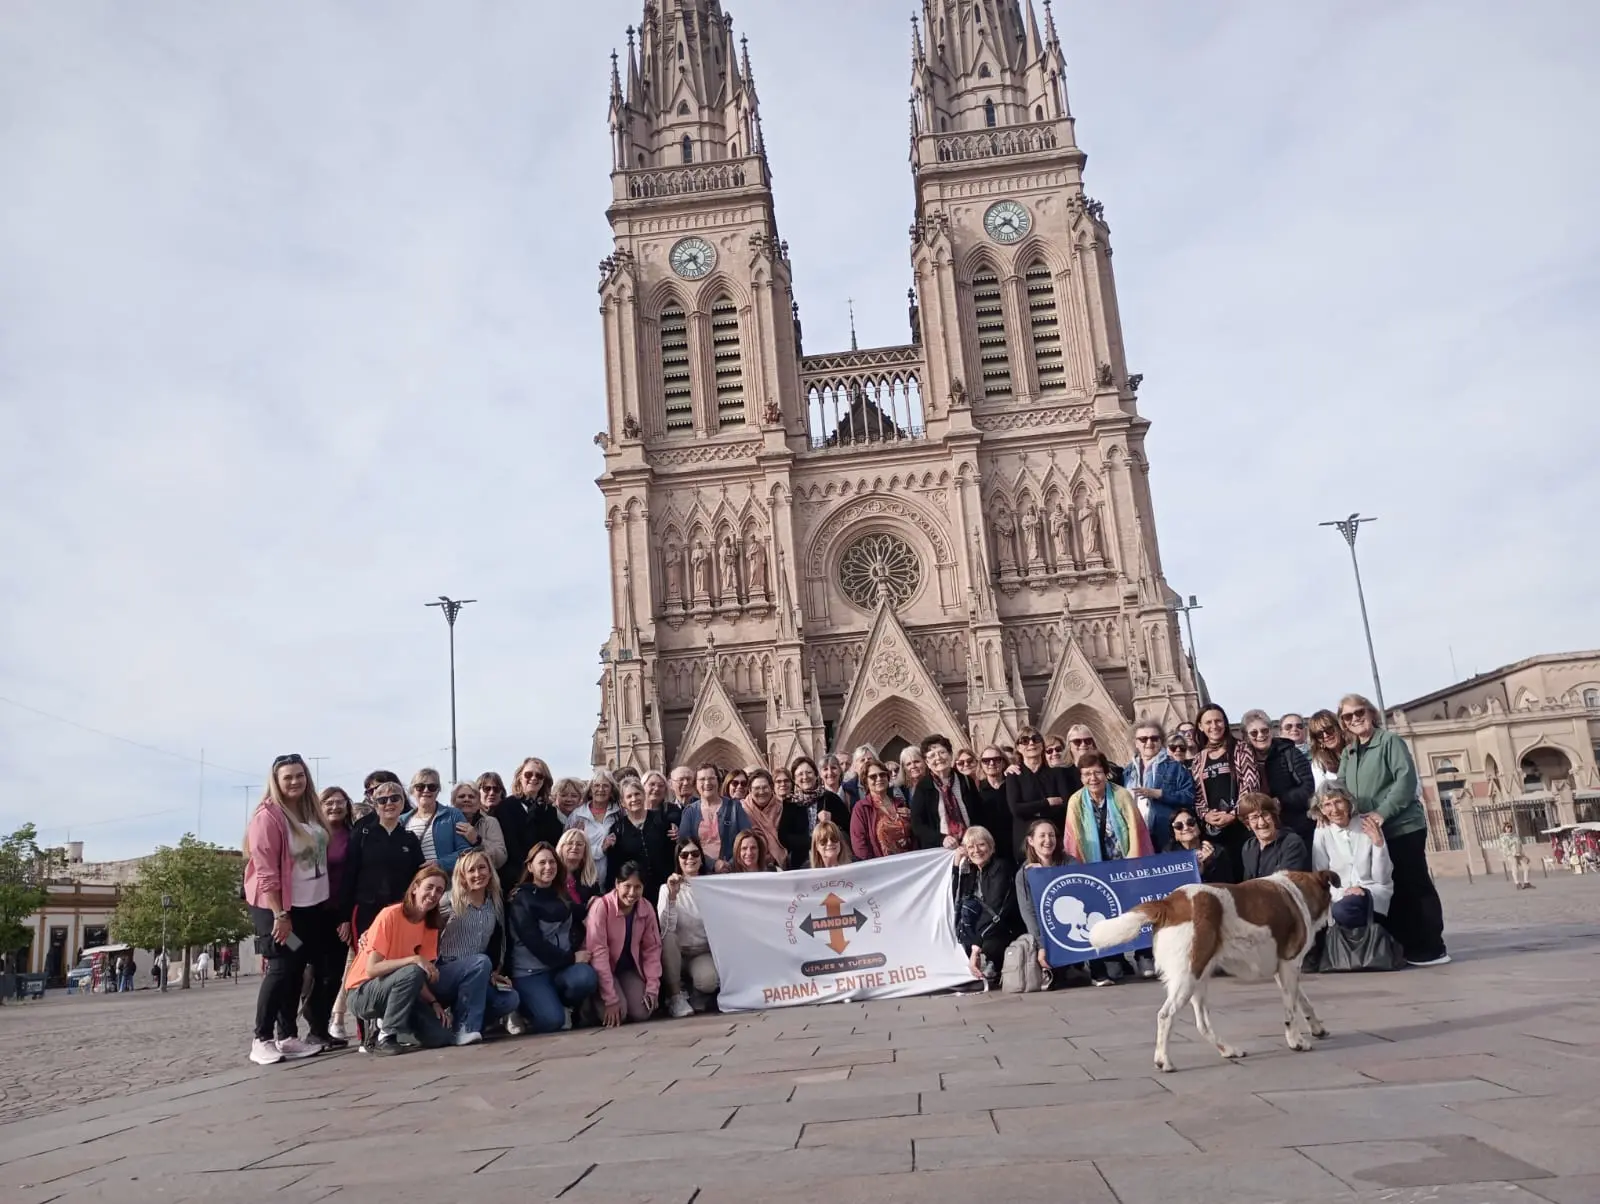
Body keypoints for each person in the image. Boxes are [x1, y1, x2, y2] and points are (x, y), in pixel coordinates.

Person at [1338, 693, 1449, 966]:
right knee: (1390, 889)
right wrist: (1327, 810)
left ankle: (1433, 948)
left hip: (1402, 827)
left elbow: (1404, 781)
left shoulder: (1390, 742)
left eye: (1359, 712)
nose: (1355, 719)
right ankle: (1404, 946)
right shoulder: (1349, 753)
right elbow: (1340, 788)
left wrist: (1381, 813)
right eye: (1348, 716)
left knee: (1415, 885)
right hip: (1373, 834)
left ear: (1371, 712)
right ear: (1343, 722)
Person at [243, 753, 336, 1065]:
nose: (295, 781)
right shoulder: (267, 817)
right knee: (281, 967)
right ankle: (261, 1038)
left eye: (299, 775)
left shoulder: (311, 812)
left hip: (307, 906)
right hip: (277, 909)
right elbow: (266, 869)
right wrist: (280, 914)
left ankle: (287, 1036)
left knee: (296, 968)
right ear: (277, 782)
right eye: (288, 777)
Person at [342, 865, 455, 1053]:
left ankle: (386, 1027)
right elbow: (372, 969)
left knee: (441, 1037)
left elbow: (417, 977)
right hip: (362, 991)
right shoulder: (390, 915)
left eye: (439, 890)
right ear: (415, 888)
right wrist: (413, 959)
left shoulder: (430, 926)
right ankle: (386, 1035)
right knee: (413, 968)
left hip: (399, 989)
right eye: (429, 887)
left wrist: (433, 1002)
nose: (433, 894)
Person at [1063, 751, 1153, 983]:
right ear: (1081, 777)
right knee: (1105, 913)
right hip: (1095, 867)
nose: (1093, 778)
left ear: (1106, 773)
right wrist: (1079, 872)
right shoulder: (1076, 801)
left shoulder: (1121, 795)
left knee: (1134, 909)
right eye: (1086, 774)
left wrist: (1135, 863)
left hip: (1123, 863)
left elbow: (1136, 828)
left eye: (1097, 772)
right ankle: (1115, 958)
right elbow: (1073, 839)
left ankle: (1144, 954)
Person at [507, 843, 600, 1033]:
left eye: (552, 862)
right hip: (530, 972)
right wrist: (573, 958)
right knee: (552, 1022)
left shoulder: (559, 894)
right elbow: (536, 944)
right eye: (542, 862)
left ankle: (561, 1005)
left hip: (558, 969)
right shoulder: (520, 899)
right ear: (530, 867)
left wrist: (602, 903)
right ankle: (523, 1009)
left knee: (586, 978)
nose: (548, 867)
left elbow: (579, 911)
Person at [433, 849, 520, 1043]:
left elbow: (500, 941)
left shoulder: (494, 903)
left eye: (482, 868)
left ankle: (462, 1020)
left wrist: (495, 971)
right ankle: (466, 1028)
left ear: (490, 872)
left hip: (478, 973)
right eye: (471, 870)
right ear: (462, 875)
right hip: (445, 971)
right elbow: (419, 918)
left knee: (509, 998)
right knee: (480, 962)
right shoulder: (449, 901)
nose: (477, 874)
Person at [586, 861, 663, 1027]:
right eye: (627, 886)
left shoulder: (646, 908)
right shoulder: (602, 906)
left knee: (642, 1012)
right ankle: (589, 1003)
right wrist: (611, 999)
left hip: (627, 969)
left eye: (637, 887)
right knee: (618, 1013)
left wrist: (652, 987)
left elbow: (652, 950)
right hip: (602, 969)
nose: (632, 892)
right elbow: (598, 954)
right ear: (616, 884)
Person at [1191, 704, 1261, 882]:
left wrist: (1233, 814)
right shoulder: (1199, 759)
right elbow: (1197, 794)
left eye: (1218, 721)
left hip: (1241, 827)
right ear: (1200, 726)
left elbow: (1251, 783)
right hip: (1215, 832)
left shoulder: (1240, 749)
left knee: (1246, 878)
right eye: (1208, 722)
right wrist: (1205, 815)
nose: (1214, 726)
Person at [1313, 782, 1394, 928]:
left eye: (1338, 802)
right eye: (1328, 805)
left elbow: (1382, 878)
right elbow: (1321, 879)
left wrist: (1378, 844)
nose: (1335, 810)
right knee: (1342, 911)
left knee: (1344, 911)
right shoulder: (1322, 832)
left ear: (1348, 802)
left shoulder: (1367, 824)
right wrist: (1344, 893)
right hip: (1339, 897)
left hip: (1371, 892)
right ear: (1322, 810)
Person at [659, 836, 719, 1018]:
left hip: (701, 951)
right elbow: (665, 927)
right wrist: (672, 896)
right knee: (668, 936)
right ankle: (676, 995)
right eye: (684, 855)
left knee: (708, 981)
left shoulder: (712, 886)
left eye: (694, 854)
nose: (690, 859)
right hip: (676, 951)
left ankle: (697, 995)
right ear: (678, 860)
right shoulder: (666, 887)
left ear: (701, 858)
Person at [952, 826, 1018, 988]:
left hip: (1003, 929)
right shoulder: (972, 872)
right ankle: (970, 968)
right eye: (970, 847)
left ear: (991, 847)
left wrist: (976, 947)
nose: (976, 851)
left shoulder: (1001, 868)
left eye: (981, 845)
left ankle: (991, 965)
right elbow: (955, 898)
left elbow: (996, 909)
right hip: (982, 929)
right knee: (965, 909)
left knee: (990, 945)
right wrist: (956, 865)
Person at [1242, 709, 1316, 843]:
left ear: (1271, 731)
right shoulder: (1243, 760)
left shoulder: (1289, 753)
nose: (1260, 735)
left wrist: (1280, 800)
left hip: (1295, 827)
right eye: (1254, 733)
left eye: (1265, 730)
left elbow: (1308, 787)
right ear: (1246, 737)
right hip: (1260, 831)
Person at [1124, 720, 1195, 853]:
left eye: (1154, 738)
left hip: (1166, 835)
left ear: (1161, 741)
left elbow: (1189, 796)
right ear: (1136, 743)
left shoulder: (1175, 767)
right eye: (1143, 739)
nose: (1149, 743)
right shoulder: (1128, 771)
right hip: (1137, 836)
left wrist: (1160, 794)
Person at [1015, 818, 1069, 984]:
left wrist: (1046, 874)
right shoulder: (1024, 873)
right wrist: (1041, 945)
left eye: (1052, 835)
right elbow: (1028, 912)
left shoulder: (1070, 862)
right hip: (1044, 932)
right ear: (1031, 841)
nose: (1048, 840)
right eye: (1042, 836)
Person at [911, 734, 983, 852]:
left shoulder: (965, 781)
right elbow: (917, 825)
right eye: (932, 755)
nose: (938, 758)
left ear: (950, 755)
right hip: (941, 850)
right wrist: (941, 839)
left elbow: (979, 813)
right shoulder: (923, 787)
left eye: (942, 752)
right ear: (927, 762)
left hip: (970, 846)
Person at [679, 764, 753, 874]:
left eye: (711, 778)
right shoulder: (690, 812)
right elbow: (684, 845)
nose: (707, 783)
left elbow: (746, 838)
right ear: (695, 784)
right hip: (700, 873)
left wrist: (729, 864)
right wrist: (713, 864)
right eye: (702, 779)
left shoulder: (734, 808)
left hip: (732, 872)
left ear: (718, 781)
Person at [1004, 727, 1065, 861]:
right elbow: (1016, 809)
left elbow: (1063, 805)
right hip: (1025, 842)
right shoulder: (1014, 774)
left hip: (1053, 841)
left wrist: (1031, 810)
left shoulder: (1055, 773)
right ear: (1018, 748)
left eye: (1035, 739)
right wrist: (1047, 803)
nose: (1031, 743)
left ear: (1042, 745)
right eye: (1025, 741)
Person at [779, 756, 849, 871]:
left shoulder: (830, 798)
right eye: (800, 774)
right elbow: (784, 837)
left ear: (816, 775)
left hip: (831, 862)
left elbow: (848, 827)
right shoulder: (790, 803)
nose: (805, 777)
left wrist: (832, 822)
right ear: (794, 779)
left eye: (809, 772)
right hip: (802, 864)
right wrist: (813, 841)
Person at [607, 778, 673, 898]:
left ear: (644, 795)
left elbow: (671, 850)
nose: (634, 799)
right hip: (635, 891)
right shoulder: (617, 829)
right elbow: (614, 864)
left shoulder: (660, 820)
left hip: (665, 885)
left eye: (637, 794)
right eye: (629, 796)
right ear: (622, 802)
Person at [402, 768, 476, 875]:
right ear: (412, 791)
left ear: (438, 790)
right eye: (420, 787)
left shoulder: (453, 815)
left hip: (446, 883)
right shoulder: (402, 821)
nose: (426, 790)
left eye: (432, 787)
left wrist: (440, 864)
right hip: (413, 884)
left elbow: (466, 852)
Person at [849, 759, 915, 860]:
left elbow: (914, 835)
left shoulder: (900, 803)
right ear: (865, 781)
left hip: (908, 862)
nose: (879, 778)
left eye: (882, 775)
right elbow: (859, 845)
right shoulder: (861, 808)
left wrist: (912, 817)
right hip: (881, 867)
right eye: (873, 776)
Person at [1238, 792, 1311, 878]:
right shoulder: (1249, 847)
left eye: (1265, 815)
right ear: (1247, 824)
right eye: (1254, 817)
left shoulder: (1292, 843)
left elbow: (1286, 883)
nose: (1262, 823)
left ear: (1273, 816)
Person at [569, 771, 620, 886]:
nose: (601, 789)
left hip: (612, 875)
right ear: (591, 789)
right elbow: (566, 848)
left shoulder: (619, 813)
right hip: (583, 875)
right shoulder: (578, 815)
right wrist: (600, 849)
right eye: (596, 785)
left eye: (605, 786)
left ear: (611, 790)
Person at [479, 771, 528, 892]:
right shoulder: (473, 819)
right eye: (486, 788)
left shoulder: (511, 816)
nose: (491, 793)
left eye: (496, 789)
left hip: (509, 882)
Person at [1165, 806, 1234, 883]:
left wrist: (1209, 864)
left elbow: (1227, 884)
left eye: (1190, 822)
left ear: (1198, 826)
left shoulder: (1218, 851)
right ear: (1174, 834)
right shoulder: (1169, 855)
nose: (1186, 828)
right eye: (1178, 826)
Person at [451, 781, 506, 874]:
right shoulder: (445, 824)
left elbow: (500, 858)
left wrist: (478, 841)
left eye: (471, 797)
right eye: (461, 796)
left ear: (479, 803)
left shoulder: (490, 822)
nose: (466, 799)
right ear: (453, 802)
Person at [511, 758, 564, 851]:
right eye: (528, 774)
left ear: (544, 780)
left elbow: (554, 844)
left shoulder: (550, 811)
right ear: (520, 777)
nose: (534, 778)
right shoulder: (507, 806)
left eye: (539, 775)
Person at [741, 769, 788, 869]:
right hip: (751, 864)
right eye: (757, 788)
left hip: (782, 864)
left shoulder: (784, 808)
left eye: (765, 787)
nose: (761, 792)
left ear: (771, 788)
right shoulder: (742, 810)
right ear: (749, 790)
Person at [973, 745, 1014, 856]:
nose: (991, 763)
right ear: (981, 764)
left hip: (1015, 843)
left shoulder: (1013, 784)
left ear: (1004, 762)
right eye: (986, 761)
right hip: (990, 847)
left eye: (996, 759)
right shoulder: (976, 789)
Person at [554, 828, 602, 910]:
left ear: (585, 850)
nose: (574, 847)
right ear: (561, 847)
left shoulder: (590, 876)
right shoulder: (552, 874)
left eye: (579, 844)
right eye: (570, 843)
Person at [1306, 709, 1346, 792]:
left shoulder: (1356, 749)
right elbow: (1321, 794)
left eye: (1329, 730)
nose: (1325, 736)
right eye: (1319, 734)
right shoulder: (1318, 763)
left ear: (1339, 727)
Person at [641, 771, 680, 838]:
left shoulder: (673, 810)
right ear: (642, 787)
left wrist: (679, 830)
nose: (656, 788)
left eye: (661, 785)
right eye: (652, 784)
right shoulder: (634, 810)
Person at [1499, 820, 1532, 890]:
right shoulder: (1503, 837)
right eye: (1507, 827)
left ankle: (1526, 882)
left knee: (1526, 867)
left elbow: (1519, 844)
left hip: (1519, 853)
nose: (1509, 829)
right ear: (1504, 828)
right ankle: (1517, 883)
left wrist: (1523, 854)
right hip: (1511, 854)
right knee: (1515, 868)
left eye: (1510, 827)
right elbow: (1505, 848)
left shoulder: (1515, 835)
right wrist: (1511, 854)